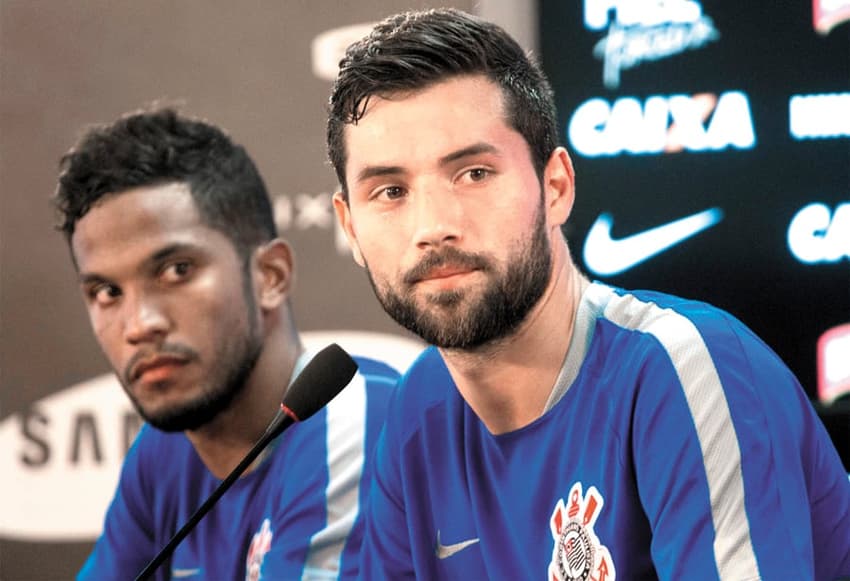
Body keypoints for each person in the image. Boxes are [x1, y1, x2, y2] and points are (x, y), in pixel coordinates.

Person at [326, 8, 850, 580]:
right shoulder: (418, 412)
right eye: (391, 190)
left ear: (556, 186)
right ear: (350, 226)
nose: (434, 225)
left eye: (474, 173)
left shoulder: (687, 369)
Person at [54, 107, 397, 580]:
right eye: (107, 293)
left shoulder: (352, 419)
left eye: (177, 270)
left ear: (269, 276)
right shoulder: (164, 452)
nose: (139, 324)